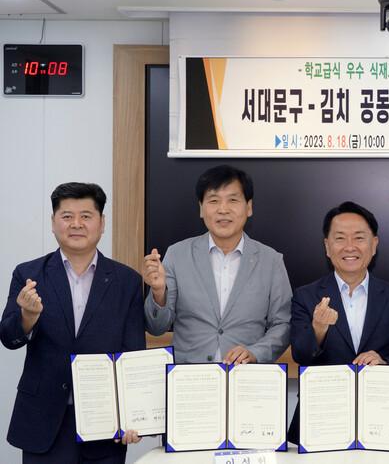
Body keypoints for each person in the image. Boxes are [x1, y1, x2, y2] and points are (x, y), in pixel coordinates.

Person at [1, 183, 145, 464]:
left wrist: (133, 414)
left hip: (105, 424)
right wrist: (27, 317)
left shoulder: (127, 281)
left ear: (102, 223)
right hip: (43, 419)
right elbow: (8, 337)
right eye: (67, 216)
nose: (76, 224)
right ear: (53, 222)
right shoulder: (29, 274)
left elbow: (133, 353)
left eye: (86, 216)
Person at [287, 201, 389, 444]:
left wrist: (385, 362)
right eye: (340, 238)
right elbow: (301, 355)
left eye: (359, 238)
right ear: (327, 247)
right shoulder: (306, 296)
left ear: (374, 244)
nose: (350, 247)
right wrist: (318, 328)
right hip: (320, 422)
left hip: (383, 422)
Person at [143, 165, 292, 364]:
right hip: (191, 375)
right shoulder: (177, 254)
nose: (223, 209)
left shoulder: (271, 261)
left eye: (233, 200)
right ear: (201, 208)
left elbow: (283, 324)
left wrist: (256, 352)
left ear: (249, 207)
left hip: (245, 374)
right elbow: (156, 327)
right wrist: (158, 293)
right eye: (213, 201)